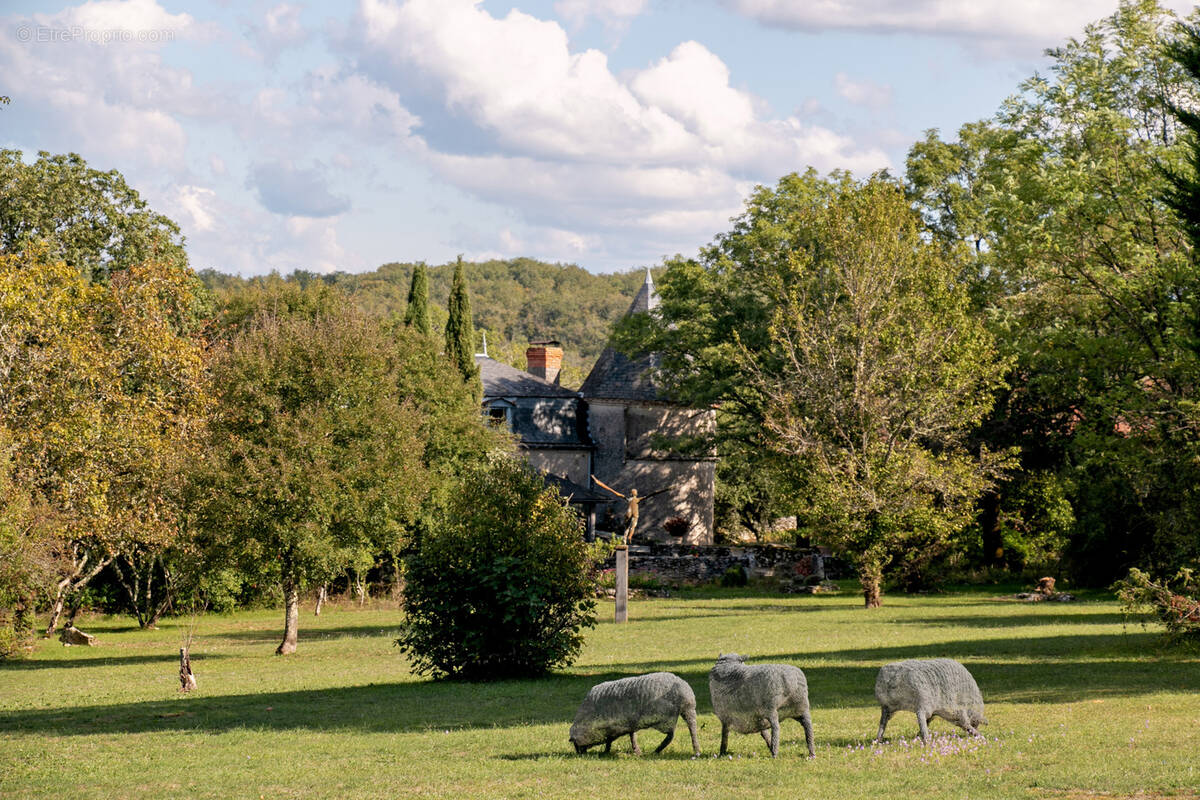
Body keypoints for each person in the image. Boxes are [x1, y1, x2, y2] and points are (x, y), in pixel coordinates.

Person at [591, 476, 667, 544]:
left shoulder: (628, 499)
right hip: (635, 513)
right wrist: (660, 491)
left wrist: (597, 481)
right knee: (633, 526)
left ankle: (624, 539)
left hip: (628, 513)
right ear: (636, 494)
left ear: (631, 494)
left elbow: (614, 492)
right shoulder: (638, 499)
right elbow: (650, 495)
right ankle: (630, 536)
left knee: (626, 527)